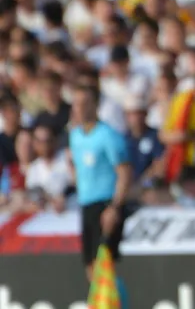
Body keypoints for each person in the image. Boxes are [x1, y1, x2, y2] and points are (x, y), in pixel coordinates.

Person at [68, 83, 132, 281]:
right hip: (86, 203)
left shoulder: (108, 135)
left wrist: (114, 207)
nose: (79, 108)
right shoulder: (75, 136)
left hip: (105, 203)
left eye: (84, 103)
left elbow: (124, 172)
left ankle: (117, 297)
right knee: (90, 266)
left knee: (103, 265)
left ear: (95, 105)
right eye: (76, 103)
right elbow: (77, 166)